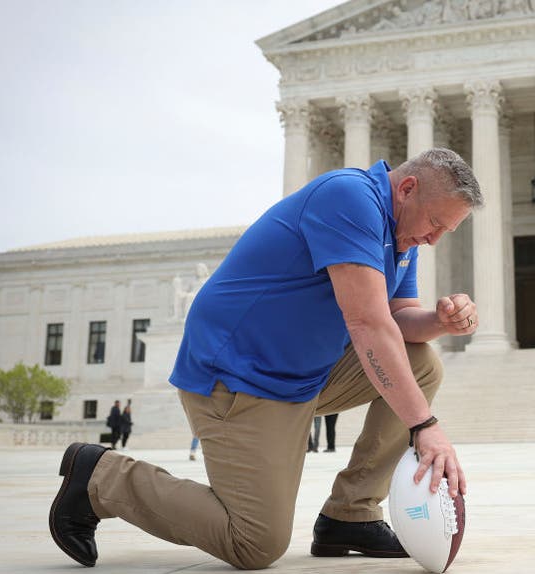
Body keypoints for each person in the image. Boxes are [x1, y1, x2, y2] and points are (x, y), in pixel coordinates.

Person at [49, 148, 482, 570]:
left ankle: (350, 515)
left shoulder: (402, 234)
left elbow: (398, 318)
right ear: (406, 188)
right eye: (435, 224)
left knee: (422, 362)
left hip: (301, 376)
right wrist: (424, 426)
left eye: (446, 232)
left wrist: (440, 321)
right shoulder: (350, 198)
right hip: (237, 378)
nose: (434, 238)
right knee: (254, 542)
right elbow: (368, 324)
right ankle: (101, 477)